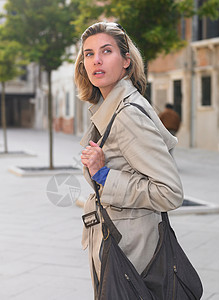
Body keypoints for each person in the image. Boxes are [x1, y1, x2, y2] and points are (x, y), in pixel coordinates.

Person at [74, 21, 183, 293]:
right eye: (89, 54)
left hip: (132, 253)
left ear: (126, 60)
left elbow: (169, 192)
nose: (96, 60)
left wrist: (104, 175)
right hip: (121, 243)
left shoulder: (127, 115)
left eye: (106, 51)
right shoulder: (109, 108)